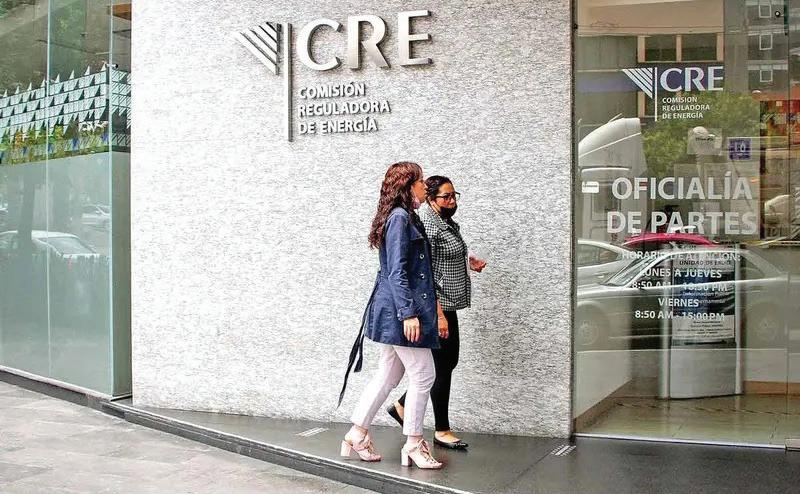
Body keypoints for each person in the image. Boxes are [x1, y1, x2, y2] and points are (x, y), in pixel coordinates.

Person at [338, 162, 445, 469]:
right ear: (408, 186)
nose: (425, 185)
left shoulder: (405, 216)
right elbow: (397, 272)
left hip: (395, 310)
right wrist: (409, 314)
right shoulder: (399, 218)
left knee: (389, 374)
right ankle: (413, 443)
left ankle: (357, 433)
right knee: (424, 375)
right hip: (402, 312)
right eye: (420, 181)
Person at [386, 176, 486, 450]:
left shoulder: (444, 221)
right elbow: (425, 271)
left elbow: (442, 258)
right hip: (436, 305)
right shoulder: (429, 224)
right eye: (446, 197)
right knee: (442, 364)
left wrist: (468, 262)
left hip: (446, 304)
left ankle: (402, 406)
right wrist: (439, 315)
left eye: (454, 195)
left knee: (446, 362)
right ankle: (441, 429)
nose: (452, 201)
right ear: (431, 199)